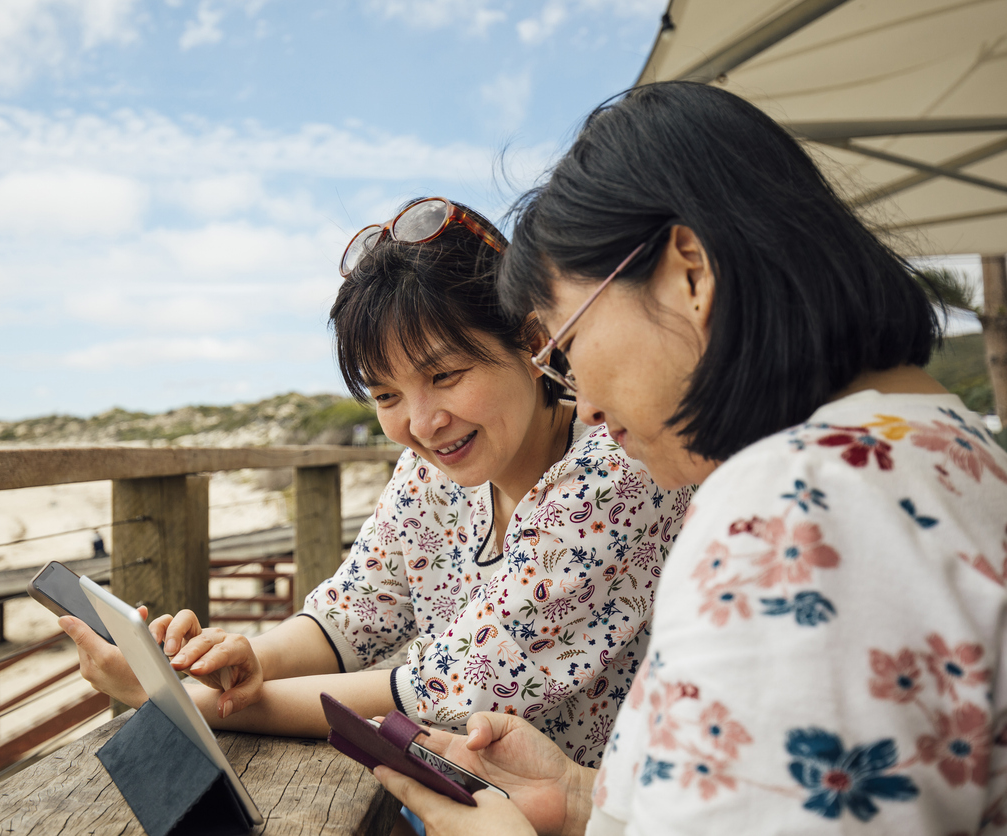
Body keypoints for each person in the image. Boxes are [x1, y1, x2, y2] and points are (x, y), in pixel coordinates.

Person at [373, 82, 1007, 835]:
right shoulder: (950, 446)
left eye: (570, 343)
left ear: (690, 273)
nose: (585, 402)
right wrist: (584, 798)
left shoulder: (792, 510)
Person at [61, 196, 688, 767]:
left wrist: (175, 699)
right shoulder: (432, 467)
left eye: (444, 375)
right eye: (386, 394)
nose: (422, 422)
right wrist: (241, 660)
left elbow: (449, 688)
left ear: (531, 342)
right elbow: (356, 608)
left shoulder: (619, 468)